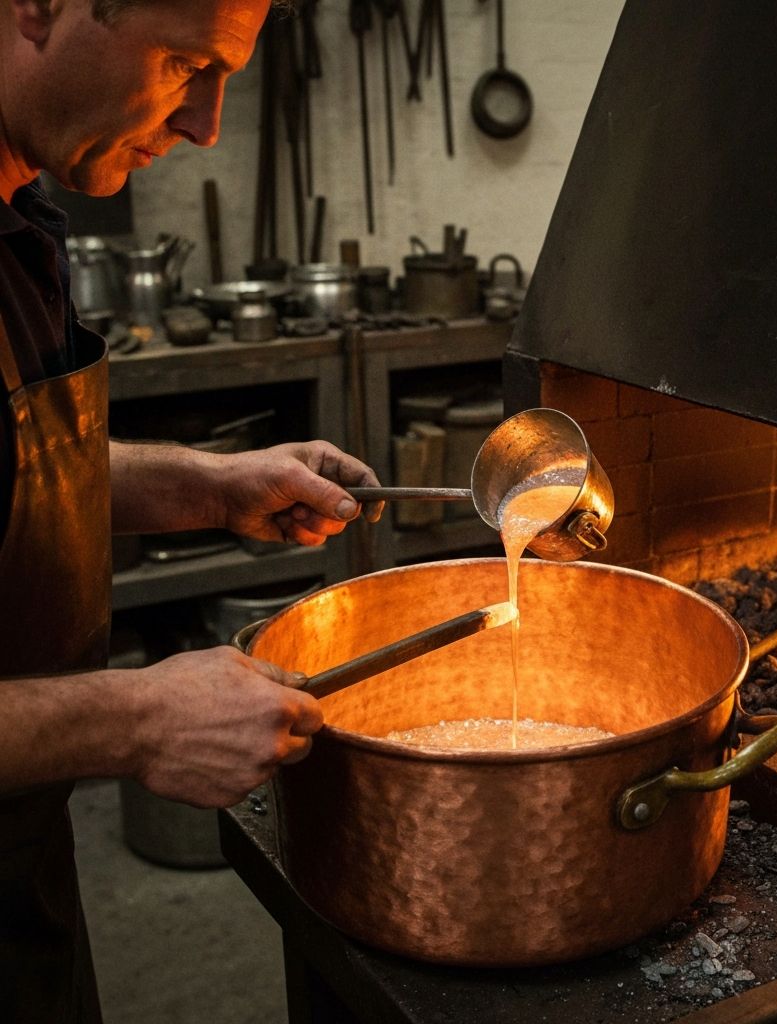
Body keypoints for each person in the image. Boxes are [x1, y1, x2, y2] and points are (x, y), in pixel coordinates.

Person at [0, 1, 384, 1019]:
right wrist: (134, 715)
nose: (208, 124)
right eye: (184, 64)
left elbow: (16, 470)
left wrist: (213, 483)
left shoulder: (17, 218)